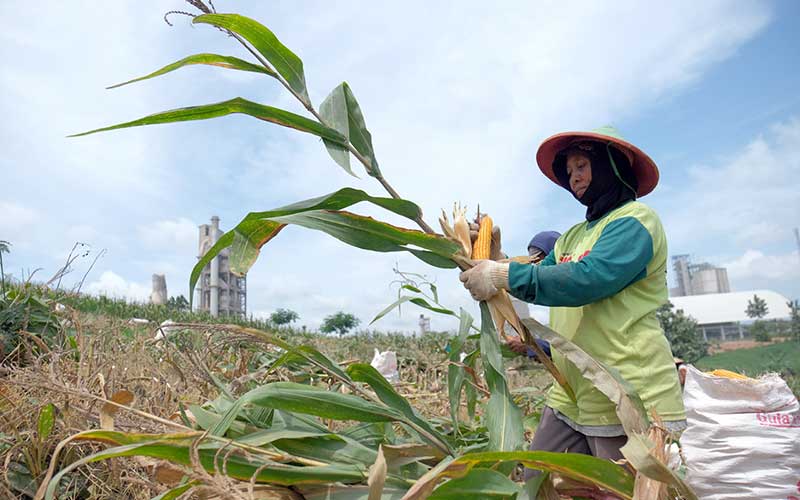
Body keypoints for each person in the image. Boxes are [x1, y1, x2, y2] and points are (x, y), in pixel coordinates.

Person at [459, 126, 686, 466]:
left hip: (625, 389)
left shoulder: (636, 221)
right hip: (571, 392)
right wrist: (494, 255)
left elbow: (587, 279)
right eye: (569, 172)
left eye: (582, 165)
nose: (574, 178)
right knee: (540, 479)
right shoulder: (573, 237)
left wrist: (500, 273)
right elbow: (544, 278)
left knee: (614, 490)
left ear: (611, 164)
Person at [506, 231, 561, 361]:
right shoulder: (555, 299)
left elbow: (574, 348)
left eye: (542, 260)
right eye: (534, 262)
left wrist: (531, 346)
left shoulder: (576, 296)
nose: (538, 267)